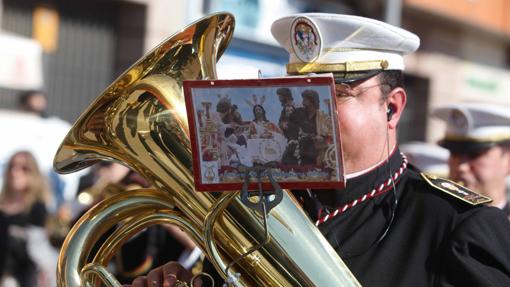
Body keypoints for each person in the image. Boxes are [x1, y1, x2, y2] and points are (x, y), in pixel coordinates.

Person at [126, 13, 510, 287]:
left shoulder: (456, 226)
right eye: (295, 95)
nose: (307, 114)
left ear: (391, 107)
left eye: (335, 95)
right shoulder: (253, 209)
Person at [432, 103, 510, 217]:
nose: (461, 167)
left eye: (475, 155)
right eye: (454, 153)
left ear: (507, 161)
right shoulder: (433, 222)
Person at [0, 151, 52, 287]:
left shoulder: (37, 207)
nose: (15, 172)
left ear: (33, 172)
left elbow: (39, 252)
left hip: (22, 279)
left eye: (24, 168)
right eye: (12, 166)